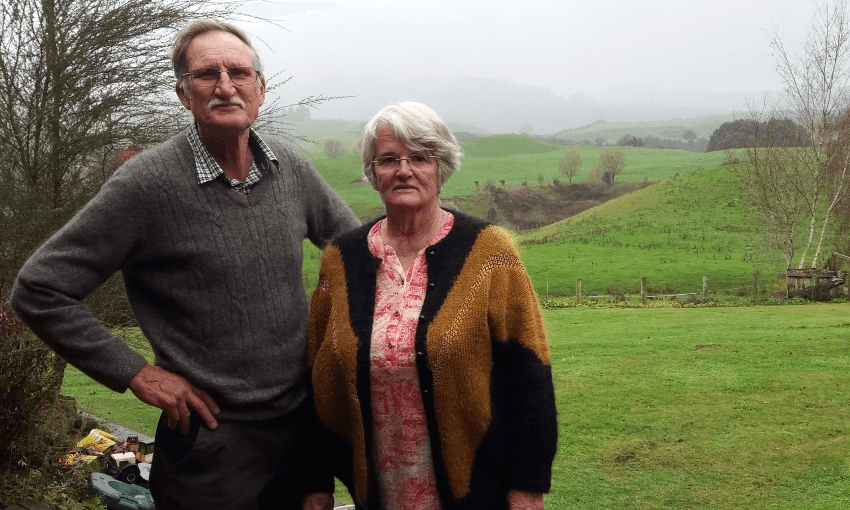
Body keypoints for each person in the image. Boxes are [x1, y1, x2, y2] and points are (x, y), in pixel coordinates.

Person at [10, 19, 358, 510]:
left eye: (239, 72)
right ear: (183, 94)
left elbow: (360, 251)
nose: (225, 86)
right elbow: (39, 288)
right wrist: (136, 373)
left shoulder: (289, 165)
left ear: (259, 90)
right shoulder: (145, 185)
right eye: (206, 74)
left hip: (300, 427)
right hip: (211, 442)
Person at [305, 102, 558, 509]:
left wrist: (528, 487)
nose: (403, 170)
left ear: (440, 167)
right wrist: (314, 481)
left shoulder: (490, 252)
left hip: (478, 491)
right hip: (378, 492)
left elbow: (530, 375)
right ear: (373, 173)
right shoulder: (340, 259)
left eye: (419, 157)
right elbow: (315, 380)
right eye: (388, 159)